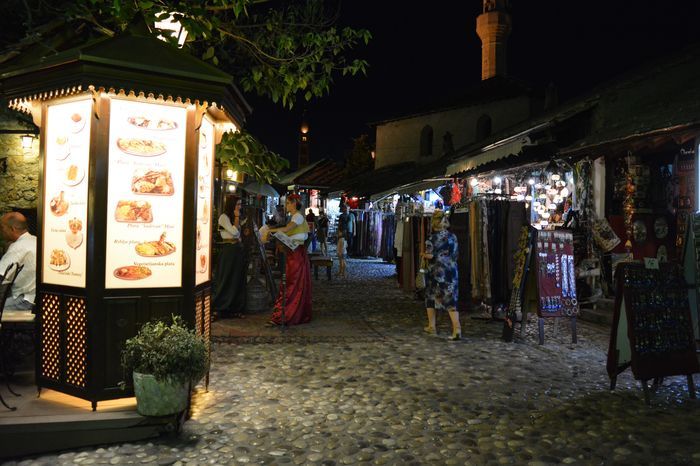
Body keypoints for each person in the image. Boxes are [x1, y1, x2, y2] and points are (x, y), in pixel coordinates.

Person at [266, 194, 312, 326]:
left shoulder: (297, 216)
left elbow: (287, 229)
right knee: (293, 282)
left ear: (293, 204)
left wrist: (271, 230)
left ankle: (287, 314)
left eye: (288, 203)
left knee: (292, 283)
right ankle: (290, 313)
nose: (286, 206)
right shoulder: (294, 216)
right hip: (294, 253)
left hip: (296, 254)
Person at [421, 209, 461, 340]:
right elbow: (456, 254)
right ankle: (456, 328)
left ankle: (432, 326)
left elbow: (430, 255)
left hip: (436, 272)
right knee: (450, 299)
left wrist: (423, 255)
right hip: (452, 271)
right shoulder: (453, 237)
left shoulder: (432, 238)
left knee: (430, 297)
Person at [213, 195, 248, 319]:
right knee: (226, 278)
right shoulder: (224, 217)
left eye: (240, 204)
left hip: (237, 249)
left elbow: (238, 234)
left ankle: (235, 308)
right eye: (237, 204)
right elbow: (234, 233)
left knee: (237, 278)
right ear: (231, 205)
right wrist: (237, 218)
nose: (239, 207)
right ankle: (220, 307)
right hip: (228, 250)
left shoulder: (234, 218)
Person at [0, 212, 36, 310]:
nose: (1, 232)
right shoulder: (35, 240)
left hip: (25, 300)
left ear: (13, 229)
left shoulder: (18, 247)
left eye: (2, 228)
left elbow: (1, 275)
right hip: (35, 297)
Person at [336, 205, 349, 278]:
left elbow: (339, 225)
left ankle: (343, 272)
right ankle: (341, 272)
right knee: (342, 256)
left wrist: (338, 233)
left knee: (341, 256)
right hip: (344, 238)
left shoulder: (342, 217)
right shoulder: (348, 216)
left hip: (342, 238)